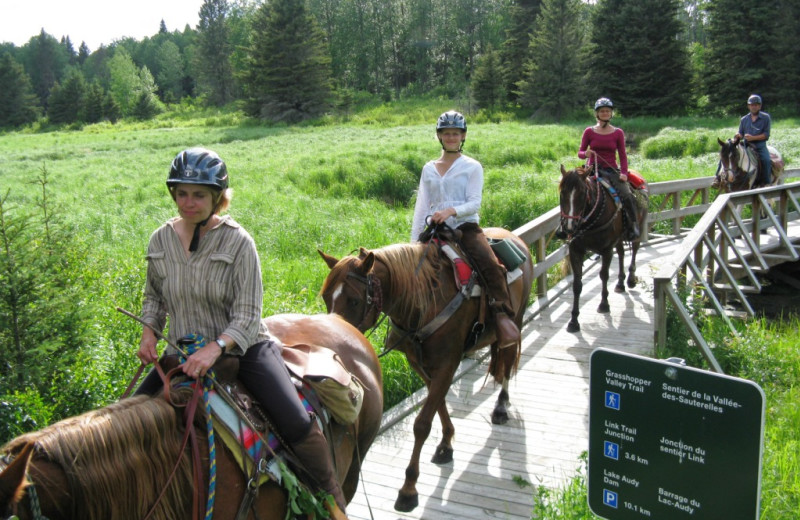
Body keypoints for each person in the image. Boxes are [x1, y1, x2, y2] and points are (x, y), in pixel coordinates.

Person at [134, 147, 347, 516]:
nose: (188, 202)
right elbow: (154, 297)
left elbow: (248, 315)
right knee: (128, 418)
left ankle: (332, 501)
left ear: (218, 197)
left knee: (295, 422)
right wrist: (149, 332)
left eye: (198, 194)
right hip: (182, 351)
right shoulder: (160, 240)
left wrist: (216, 348)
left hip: (243, 348)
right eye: (181, 193)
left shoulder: (238, 242)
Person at [410, 111, 520, 349]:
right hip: (434, 230)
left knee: (490, 266)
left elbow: (474, 203)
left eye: (456, 134)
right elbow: (421, 208)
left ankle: (502, 319)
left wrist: (450, 211)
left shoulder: (472, 166)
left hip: (464, 227)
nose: (451, 137)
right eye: (446, 133)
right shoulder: (429, 168)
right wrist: (413, 243)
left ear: (463, 136)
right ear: (439, 136)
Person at [560, 97, 639, 241]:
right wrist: (586, 153)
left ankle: (632, 226)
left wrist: (623, 173)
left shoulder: (618, 132)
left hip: (610, 170)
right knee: (571, 192)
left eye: (607, 111)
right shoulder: (589, 131)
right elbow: (580, 152)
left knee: (627, 195)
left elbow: (622, 155)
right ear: (597, 114)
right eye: (602, 111)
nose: (605, 113)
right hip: (591, 170)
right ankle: (565, 226)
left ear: (611, 113)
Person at [735, 94, 772, 186]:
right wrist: (738, 135)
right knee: (731, 155)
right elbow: (741, 133)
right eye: (752, 105)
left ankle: (766, 182)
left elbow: (766, 135)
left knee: (766, 160)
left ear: (759, 106)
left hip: (759, 145)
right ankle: (725, 178)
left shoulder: (765, 117)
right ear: (748, 106)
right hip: (746, 145)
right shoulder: (744, 119)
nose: (754, 107)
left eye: (756, 105)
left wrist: (753, 138)